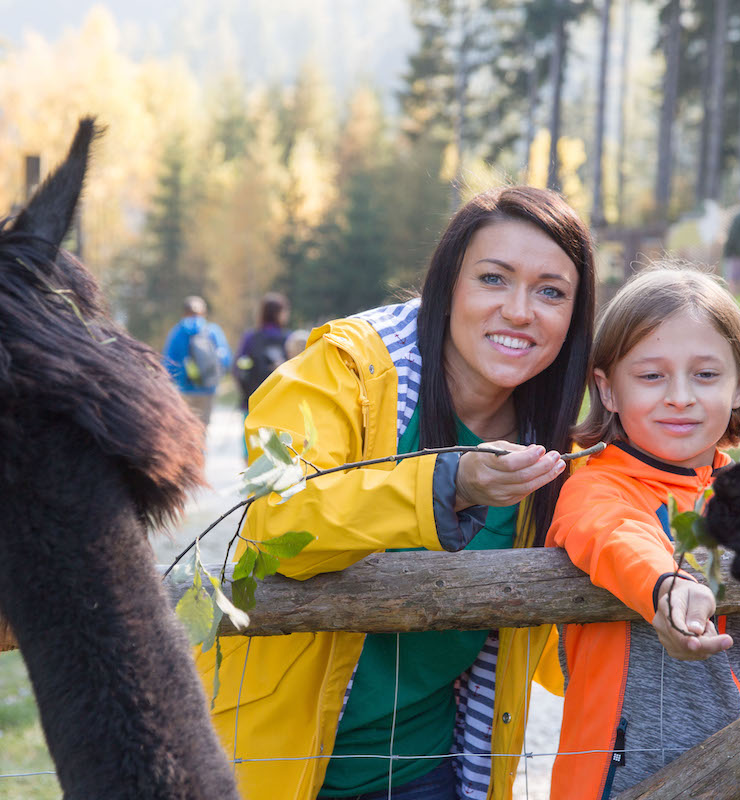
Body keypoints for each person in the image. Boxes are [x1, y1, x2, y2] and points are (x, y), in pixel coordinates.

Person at [195, 186, 597, 800]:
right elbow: (277, 514)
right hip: (266, 766)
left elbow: (566, 651)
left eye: (551, 292)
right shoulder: (340, 368)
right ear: (447, 287)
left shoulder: (552, 451)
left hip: (425, 774)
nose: (520, 311)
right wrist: (448, 484)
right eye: (493, 278)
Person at [545, 266, 740, 800]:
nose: (680, 397)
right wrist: (665, 585)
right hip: (630, 782)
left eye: (706, 374)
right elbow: (613, 531)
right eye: (651, 376)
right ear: (607, 390)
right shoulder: (595, 488)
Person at [162, 295, 231, 432]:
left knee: (186, 429)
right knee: (203, 428)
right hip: (208, 388)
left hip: (185, 389)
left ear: (184, 313)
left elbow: (168, 361)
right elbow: (225, 359)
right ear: (203, 312)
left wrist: (171, 382)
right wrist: (217, 377)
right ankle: (201, 446)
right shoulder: (213, 331)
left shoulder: (177, 332)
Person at [234, 292, 292, 412]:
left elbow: (238, 367)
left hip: (253, 400)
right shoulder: (288, 339)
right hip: (282, 401)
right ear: (278, 313)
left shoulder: (250, 337)